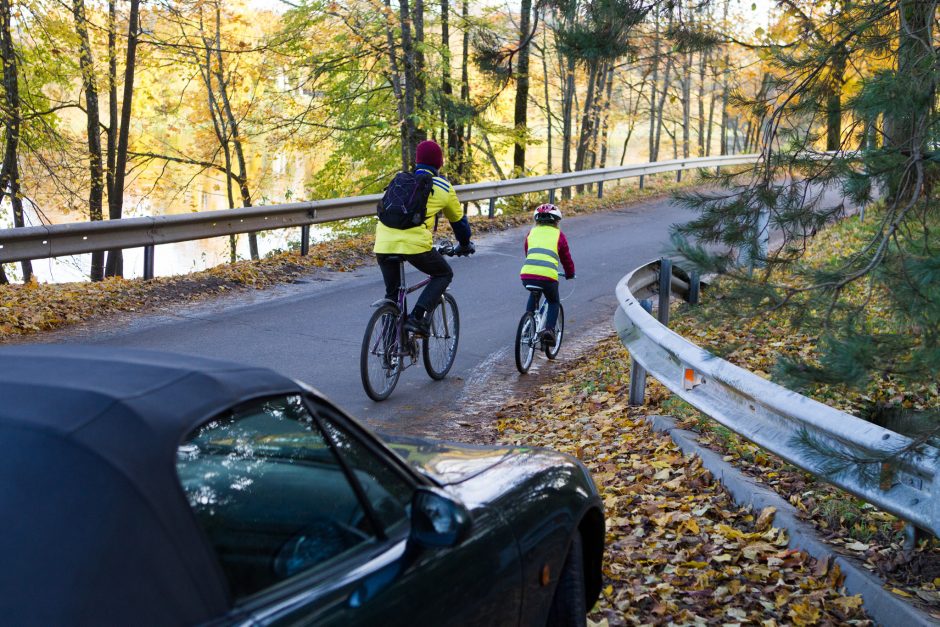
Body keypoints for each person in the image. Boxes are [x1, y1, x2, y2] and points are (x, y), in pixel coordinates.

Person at [374, 140, 475, 336]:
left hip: (383, 243)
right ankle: (416, 317)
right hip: (414, 246)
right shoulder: (443, 187)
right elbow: (459, 222)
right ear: (439, 163)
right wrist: (464, 244)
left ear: (417, 161)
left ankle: (389, 352)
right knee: (443, 274)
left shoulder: (400, 180)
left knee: (393, 295)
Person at [519, 203, 575, 347]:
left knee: (534, 294)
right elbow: (566, 258)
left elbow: (528, 251)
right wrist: (570, 273)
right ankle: (549, 330)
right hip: (548, 278)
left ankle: (527, 326)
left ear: (536, 220)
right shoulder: (559, 235)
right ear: (556, 221)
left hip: (527, 275)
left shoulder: (531, 233)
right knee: (553, 301)